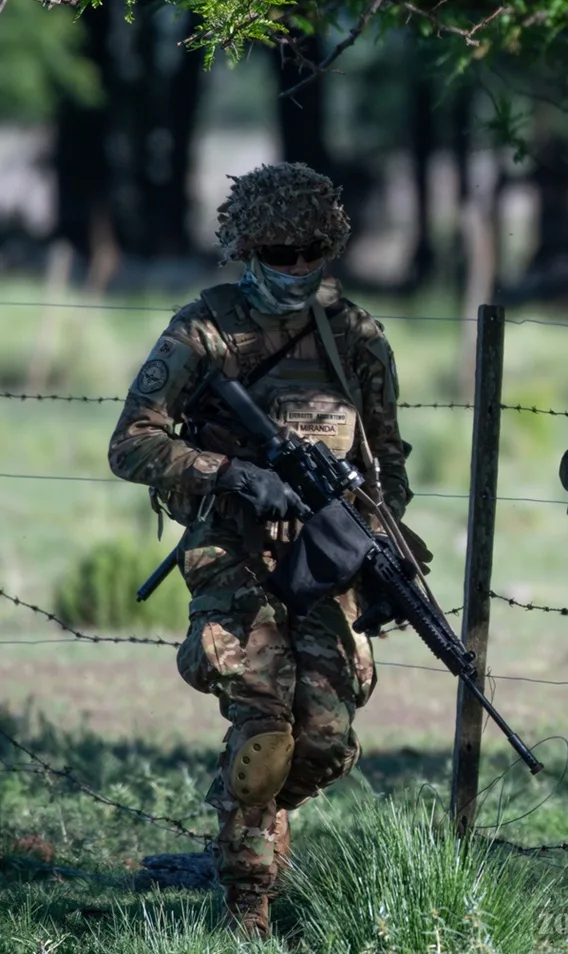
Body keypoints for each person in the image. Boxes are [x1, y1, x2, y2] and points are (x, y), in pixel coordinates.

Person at [107, 162, 421, 938]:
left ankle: (249, 817)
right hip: (232, 552)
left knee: (323, 737)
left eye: (309, 250)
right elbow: (132, 444)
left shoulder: (355, 338)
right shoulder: (204, 329)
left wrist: (378, 547)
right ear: (244, 246)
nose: (294, 266)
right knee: (264, 726)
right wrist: (232, 473)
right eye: (277, 250)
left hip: (327, 560)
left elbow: (388, 465)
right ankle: (248, 901)